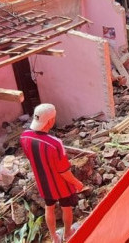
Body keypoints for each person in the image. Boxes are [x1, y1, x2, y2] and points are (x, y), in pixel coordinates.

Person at [20, 103, 84, 243]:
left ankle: (54, 237)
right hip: (60, 185)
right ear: (50, 121)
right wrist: (77, 182)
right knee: (66, 207)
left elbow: (30, 157)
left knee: (49, 207)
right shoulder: (55, 143)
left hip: (43, 182)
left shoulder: (25, 137)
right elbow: (63, 171)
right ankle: (68, 234)